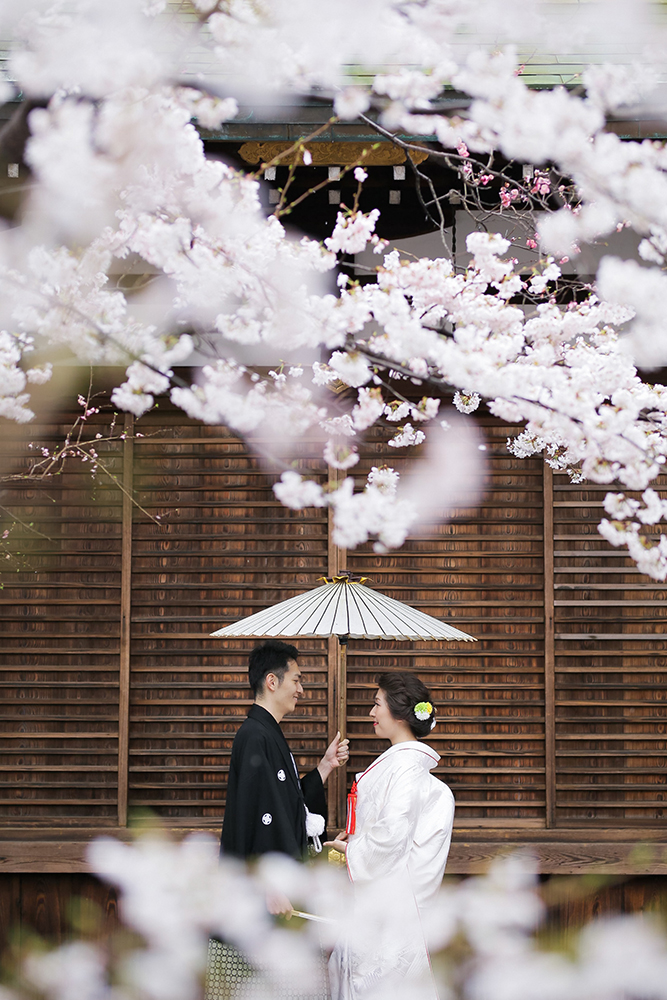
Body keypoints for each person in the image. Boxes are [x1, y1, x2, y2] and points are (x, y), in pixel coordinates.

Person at [325, 672, 455, 1000]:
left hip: (386, 912)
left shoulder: (406, 769)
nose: (371, 712)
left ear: (399, 713)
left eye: (376, 703)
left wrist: (352, 850)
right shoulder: (404, 766)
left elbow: (392, 835)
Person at [221, 640, 349, 904]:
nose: (300, 689)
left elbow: (285, 801)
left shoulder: (266, 732)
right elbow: (257, 815)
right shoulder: (255, 736)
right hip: (267, 891)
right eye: (296, 680)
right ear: (272, 681)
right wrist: (269, 885)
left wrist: (325, 766)